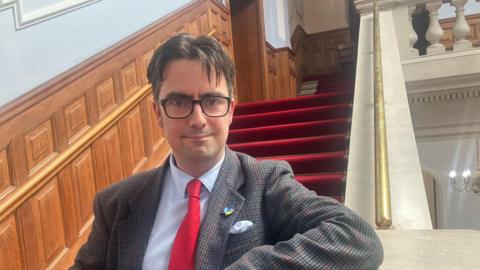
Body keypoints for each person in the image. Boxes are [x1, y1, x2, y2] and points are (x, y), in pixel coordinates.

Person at [71, 34, 383, 270]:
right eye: (179, 102)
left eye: (212, 101)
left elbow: (356, 237)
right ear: (157, 112)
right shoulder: (117, 204)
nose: (197, 119)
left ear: (230, 111)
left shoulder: (265, 182)